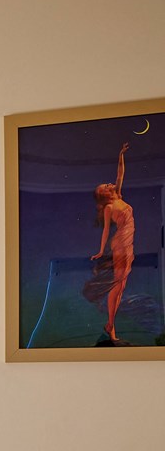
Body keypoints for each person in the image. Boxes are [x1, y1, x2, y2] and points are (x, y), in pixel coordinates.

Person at [90, 142, 134, 345]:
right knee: (117, 284)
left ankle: (111, 327)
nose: (109, 184)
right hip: (120, 245)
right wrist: (100, 251)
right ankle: (110, 324)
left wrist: (120, 155)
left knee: (122, 285)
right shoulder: (109, 207)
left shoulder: (119, 196)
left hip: (128, 243)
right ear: (104, 194)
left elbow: (120, 174)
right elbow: (106, 231)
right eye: (105, 186)